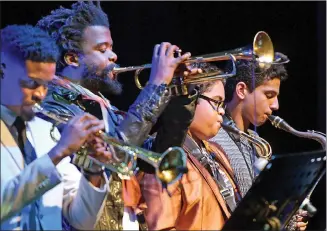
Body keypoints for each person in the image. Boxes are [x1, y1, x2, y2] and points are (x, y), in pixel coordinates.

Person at [36, 2, 199, 230]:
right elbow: (112, 157)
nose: (113, 56)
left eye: (111, 48)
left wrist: (181, 94)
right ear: (73, 59)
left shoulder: (104, 107)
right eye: (102, 50)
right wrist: (156, 84)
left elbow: (155, 157)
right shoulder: (52, 107)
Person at [0, 25, 112, 230]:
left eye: (46, 84)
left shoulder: (44, 130)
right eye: (32, 83)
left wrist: (93, 169)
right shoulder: (56, 145)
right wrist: (58, 152)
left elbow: (82, 221)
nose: (41, 95)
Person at [210, 54, 308, 230]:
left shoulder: (257, 142)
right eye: (269, 95)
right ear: (241, 90)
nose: (276, 105)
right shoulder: (213, 140)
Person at [137, 63, 240, 230]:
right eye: (217, 102)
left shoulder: (216, 151)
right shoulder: (161, 152)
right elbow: (161, 226)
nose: (222, 111)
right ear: (191, 99)